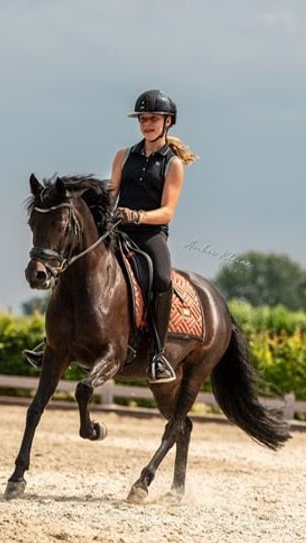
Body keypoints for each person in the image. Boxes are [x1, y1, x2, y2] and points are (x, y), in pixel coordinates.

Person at [23, 89, 197, 383]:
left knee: (162, 278)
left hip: (150, 235)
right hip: (118, 230)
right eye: (143, 119)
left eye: (153, 119)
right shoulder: (123, 156)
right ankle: (52, 340)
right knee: (75, 265)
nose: (147, 124)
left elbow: (167, 212)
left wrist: (137, 215)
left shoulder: (173, 164)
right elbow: (111, 195)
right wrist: (110, 214)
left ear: (168, 122)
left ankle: (156, 355)